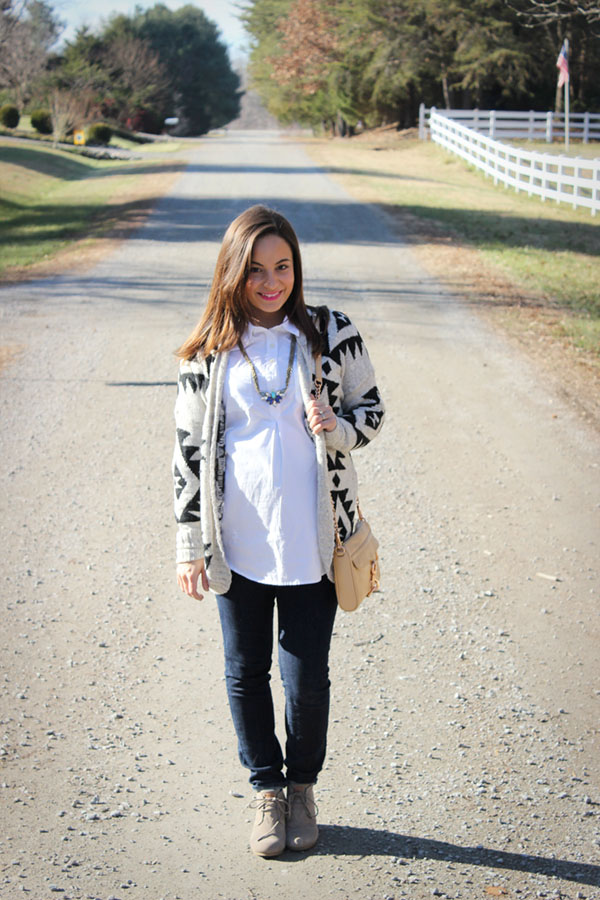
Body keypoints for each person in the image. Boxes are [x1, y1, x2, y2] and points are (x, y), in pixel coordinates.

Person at [173, 205, 384, 857]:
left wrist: (337, 426)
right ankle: (266, 789)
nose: (271, 282)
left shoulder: (329, 331)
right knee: (244, 672)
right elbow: (186, 452)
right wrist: (189, 545)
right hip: (236, 544)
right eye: (256, 270)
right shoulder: (209, 348)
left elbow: (371, 411)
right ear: (233, 274)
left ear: (296, 266)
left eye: (282, 266)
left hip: (314, 546)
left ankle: (303, 787)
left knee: (306, 680)